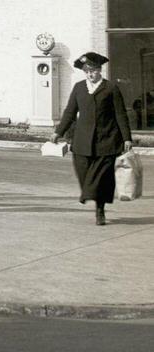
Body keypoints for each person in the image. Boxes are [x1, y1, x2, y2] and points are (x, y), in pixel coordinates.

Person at [53, 51, 133, 226]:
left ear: (100, 70)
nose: (90, 74)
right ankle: (87, 192)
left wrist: (127, 138)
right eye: (86, 71)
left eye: (93, 70)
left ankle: (100, 210)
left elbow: (120, 115)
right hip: (82, 141)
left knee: (102, 178)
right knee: (82, 170)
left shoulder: (111, 88)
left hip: (107, 140)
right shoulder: (79, 87)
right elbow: (69, 112)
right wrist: (58, 132)